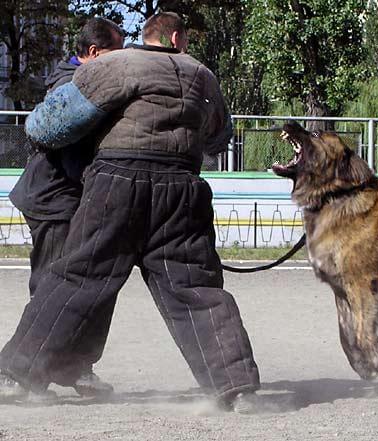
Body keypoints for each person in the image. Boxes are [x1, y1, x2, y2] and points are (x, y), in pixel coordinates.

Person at [0, 12, 260, 411]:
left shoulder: (116, 64)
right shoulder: (203, 75)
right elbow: (219, 139)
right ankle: (235, 387)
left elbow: (45, 127)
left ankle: (17, 374)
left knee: (77, 277)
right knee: (196, 286)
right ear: (177, 39)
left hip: (116, 184)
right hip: (182, 190)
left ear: (149, 36)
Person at [2, 17, 124, 399]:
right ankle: (17, 374)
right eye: (113, 55)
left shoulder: (86, 83)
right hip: (54, 199)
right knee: (52, 286)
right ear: (92, 54)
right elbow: (73, 158)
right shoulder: (71, 88)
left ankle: (76, 367)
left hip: (72, 198)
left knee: (88, 284)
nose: (120, 64)